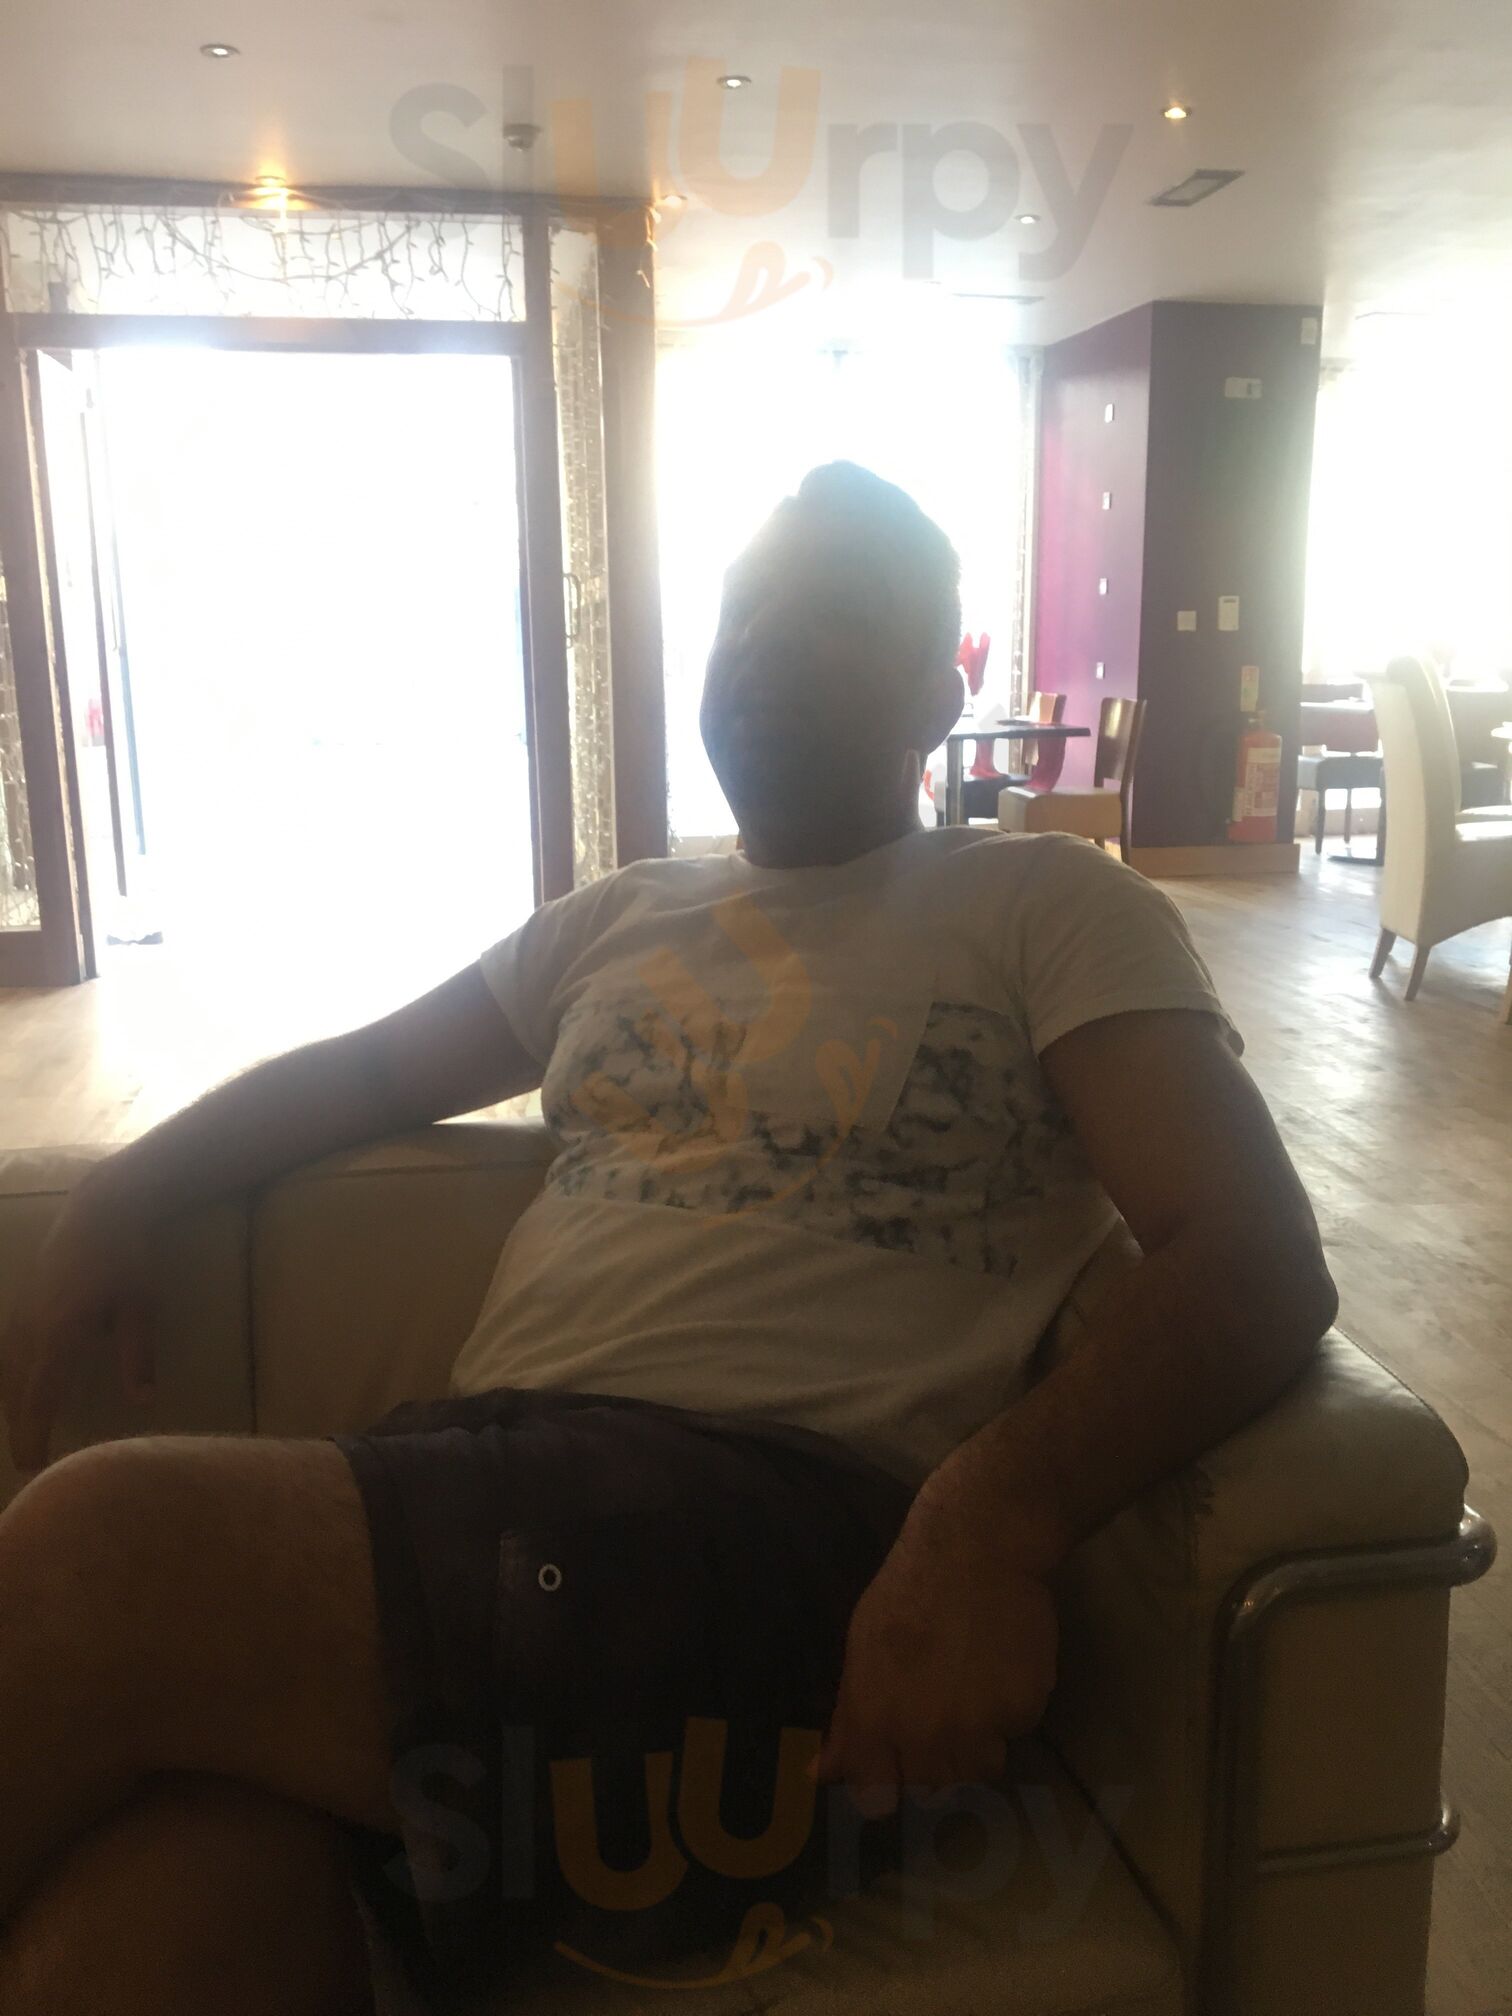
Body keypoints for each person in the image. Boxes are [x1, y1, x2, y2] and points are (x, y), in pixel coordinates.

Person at [0, 463, 1336, 2014]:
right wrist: (128, 1187)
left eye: (833, 611)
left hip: (777, 1551)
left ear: (940, 690)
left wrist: (986, 1524)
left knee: (97, 1550)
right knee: (143, 1933)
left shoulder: (1045, 902)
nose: (767, 640)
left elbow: (1254, 1259)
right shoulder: (617, 919)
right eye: (742, 609)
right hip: (491, 1507)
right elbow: (363, 1075)